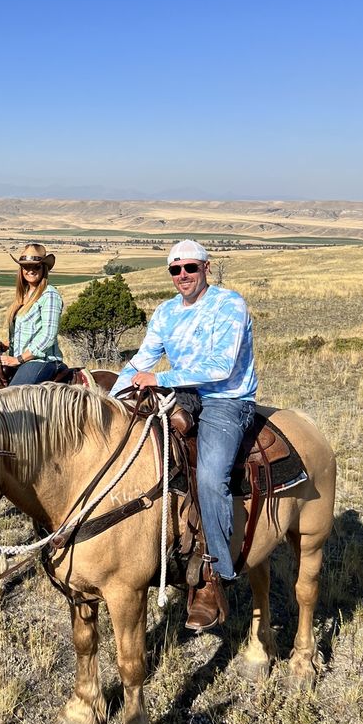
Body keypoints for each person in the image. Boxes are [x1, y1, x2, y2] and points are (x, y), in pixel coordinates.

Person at [109, 239, 257, 631]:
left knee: (209, 477)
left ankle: (215, 573)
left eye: (190, 267)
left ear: (206, 268)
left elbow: (222, 367)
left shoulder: (229, 305)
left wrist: (161, 378)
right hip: (181, 394)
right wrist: (110, 400)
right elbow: (141, 361)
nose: (183, 276)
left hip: (225, 399)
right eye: (175, 270)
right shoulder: (166, 312)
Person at [0, 243, 64, 385]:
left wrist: (18, 359)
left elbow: (48, 336)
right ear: (21, 270)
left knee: (13, 394)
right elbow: (26, 333)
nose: (31, 270)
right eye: (26, 267)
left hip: (42, 361)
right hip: (23, 361)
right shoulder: (24, 296)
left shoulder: (49, 295)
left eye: (36, 266)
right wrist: (6, 344)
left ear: (44, 268)